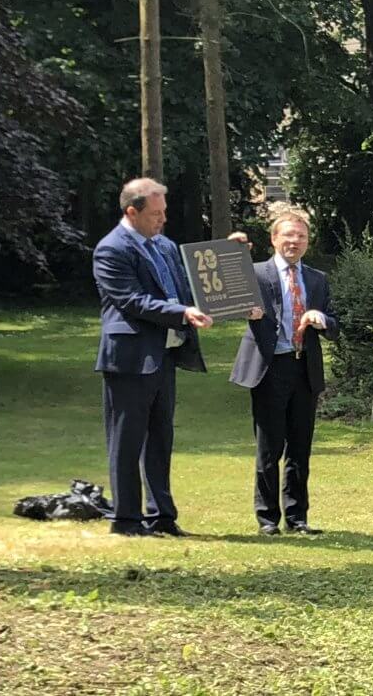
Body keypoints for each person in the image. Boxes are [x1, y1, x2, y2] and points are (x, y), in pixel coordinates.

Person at [93, 178, 255, 538]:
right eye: (155, 214)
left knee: (160, 438)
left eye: (164, 212)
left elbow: (190, 284)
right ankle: (126, 520)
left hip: (162, 356)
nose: (162, 220)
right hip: (130, 359)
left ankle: (162, 517)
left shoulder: (163, 246)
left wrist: (226, 253)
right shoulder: (111, 249)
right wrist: (183, 313)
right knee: (127, 440)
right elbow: (133, 301)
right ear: (131, 212)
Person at [230, 209, 340, 536]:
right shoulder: (255, 274)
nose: (294, 242)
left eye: (301, 237)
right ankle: (267, 520)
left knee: (300, 448)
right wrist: (244, 309)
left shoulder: (317, 279)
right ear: (274, 239)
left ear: (308, 242)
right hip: (268, 368)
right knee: (269, 448)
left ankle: (297, 518)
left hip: (304, 368)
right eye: (288, 236)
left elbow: (335, 324)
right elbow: (223, 299)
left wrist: (322, 319)